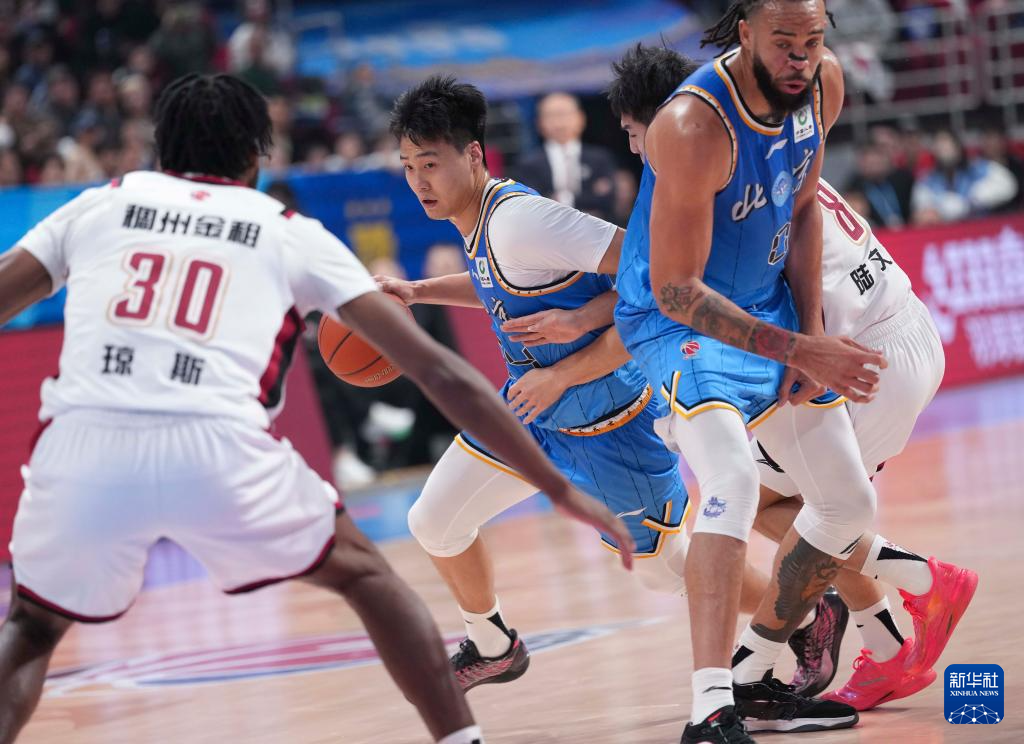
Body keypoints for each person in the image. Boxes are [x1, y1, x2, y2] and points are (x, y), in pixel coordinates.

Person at [0, 73, 636, 744]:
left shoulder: (100, 204)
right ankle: (461, 736)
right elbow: (437, 371)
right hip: (216, 447)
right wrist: (556, 488)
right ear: (255, 157)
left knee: (33, 626)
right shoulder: (283, 230)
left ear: (161, 150)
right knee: (369, 578)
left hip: (82, 447)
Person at [604, 42, 977, 711]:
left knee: (792, 508)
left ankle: (909, 594)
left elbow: (677, 302)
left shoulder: (717, 183)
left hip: (862, 355)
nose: (636, 149)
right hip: (888, 328)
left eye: (636, 133)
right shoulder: (760, 150)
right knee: (788, 505)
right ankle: (888, 637)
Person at [614, 2, 884, 739]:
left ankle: (755, 670)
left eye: (813, 41)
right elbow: (676, 290)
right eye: (783, 42)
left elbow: (804, 208)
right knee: (732, 481)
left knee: (847, 504)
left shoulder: (823, 85)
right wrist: (799, 349)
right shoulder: (692, 125)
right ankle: (709, 708)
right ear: (745, 33)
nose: (800, 57)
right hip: (677, 323)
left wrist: (812, 330)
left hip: (768, 309)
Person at [380, 75, 696, 692]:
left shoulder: (519, 221)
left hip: (609, 422)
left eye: (431, 164)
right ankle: (493, 644)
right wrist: (417, 291)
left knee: (668, 572)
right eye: (408, 166)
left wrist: (575, 340)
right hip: (535, 411)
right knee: (435, 520)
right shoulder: (476, 222)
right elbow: (498, 283)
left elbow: (659, 271)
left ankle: (795, 618)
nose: (419, 181)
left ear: (474, 154)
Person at [512, 92, 617, 220]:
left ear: (580, 118)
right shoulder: (528, 164)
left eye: (564, 114)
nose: (559, 122)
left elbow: (607, 200)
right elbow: (531, 204)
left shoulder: (600, 158)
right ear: (539, 123)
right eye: (551, 116)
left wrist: (564, 199)